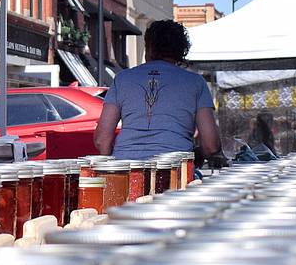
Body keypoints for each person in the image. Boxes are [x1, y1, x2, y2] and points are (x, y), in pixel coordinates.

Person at [93, 19, 222, 163]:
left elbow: (102, 139)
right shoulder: (195, 82)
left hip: (127, 168)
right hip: (174, 169)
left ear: (148, 47)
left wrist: (114, 164)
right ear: (181, 50)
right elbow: (211, 145)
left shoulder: (123, 79)